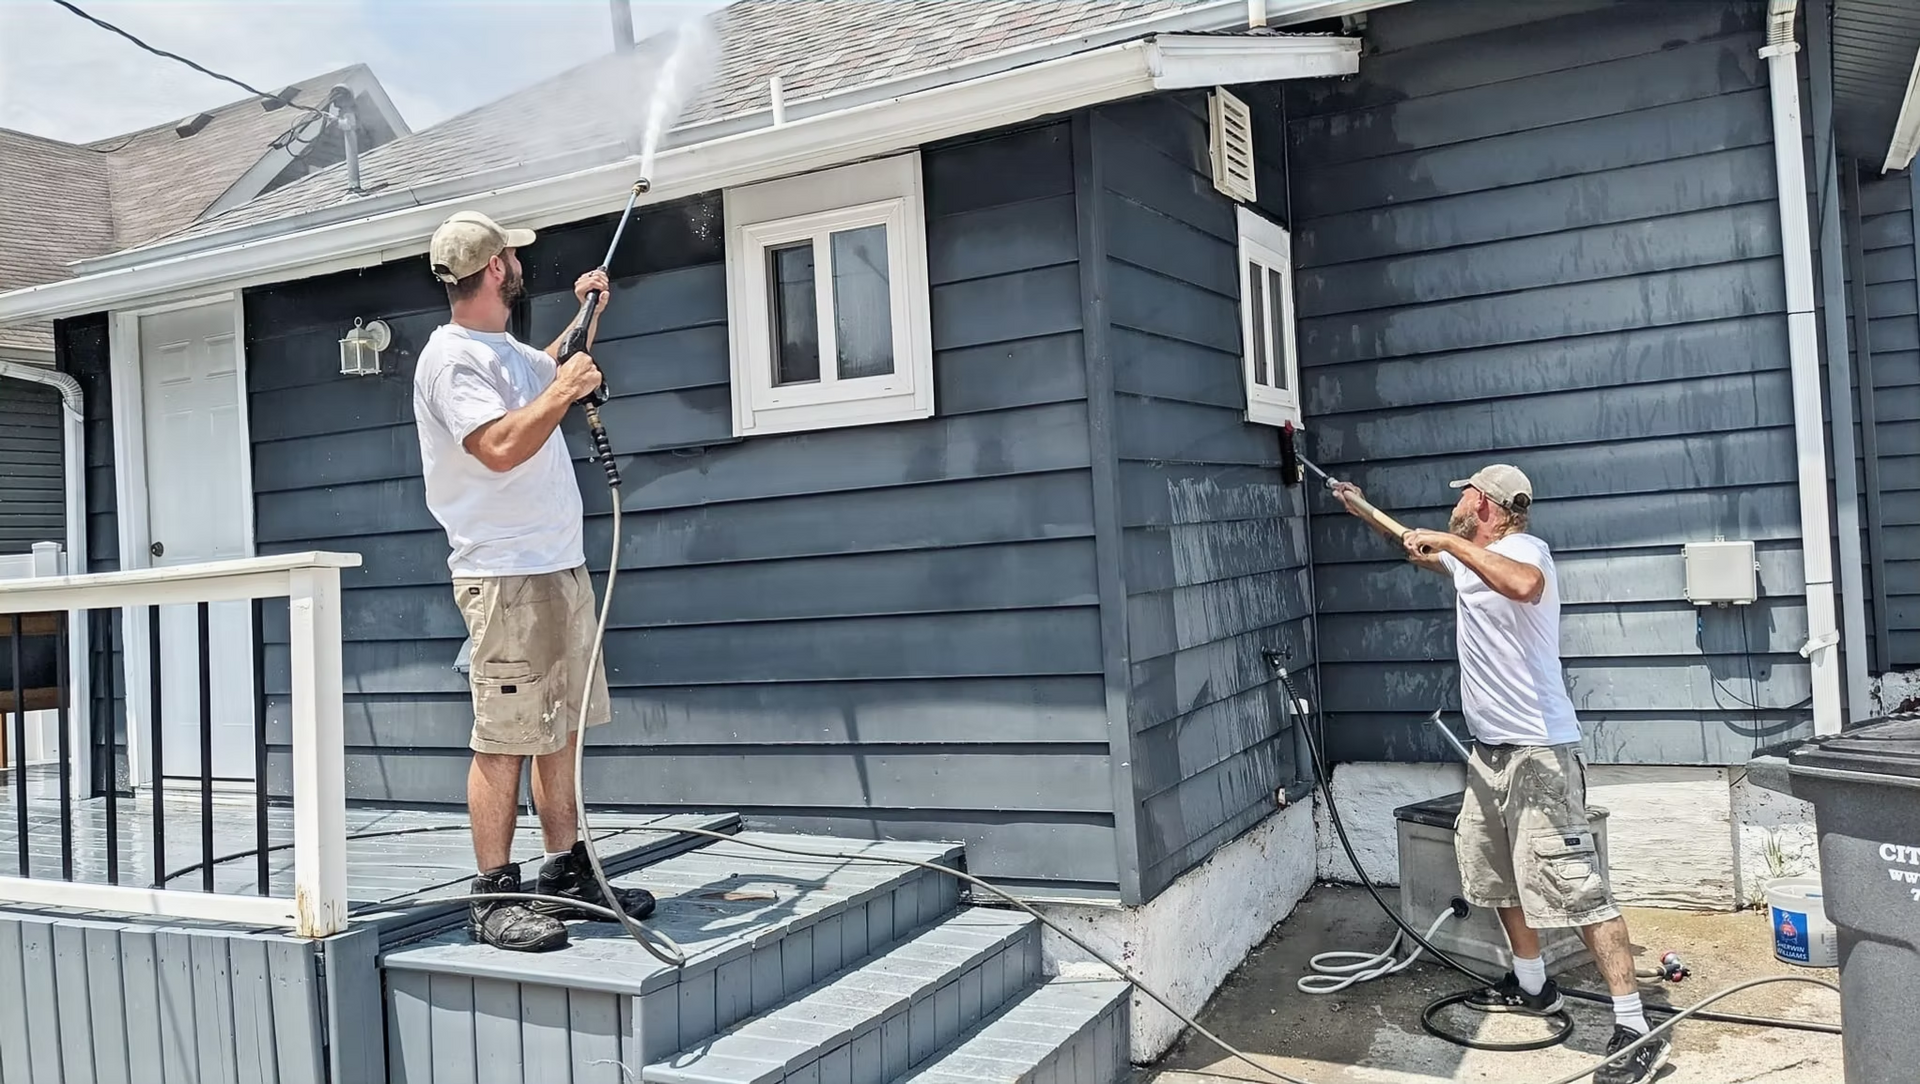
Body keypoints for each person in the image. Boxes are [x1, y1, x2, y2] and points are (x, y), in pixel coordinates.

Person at [1333, 464, 1670, 1084]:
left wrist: (1453, 542)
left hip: (1540, 754)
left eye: (1465, 496)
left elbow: (1523, 585)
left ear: (1487, 506)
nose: (1455, 504)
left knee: (1574, 885)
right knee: (1496, 873)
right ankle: (1535, 984)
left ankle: (1634, 1026)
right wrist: (1363, 510)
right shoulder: (1472, 560)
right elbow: (1417, 543)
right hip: (1489, 754)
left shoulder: (1521, 549)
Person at [411, 209, 655, 952]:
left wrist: (589, 316)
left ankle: (565, 870)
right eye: (513, 254)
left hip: (556, 565)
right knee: (505, 737)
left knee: (561, 728)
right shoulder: (452, 360)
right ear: (494, 270)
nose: (520, 263)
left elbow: (550, 375)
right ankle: (493, 897)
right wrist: (565, 387)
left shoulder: (505, 351)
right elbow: (500, 445)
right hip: (504, 575)